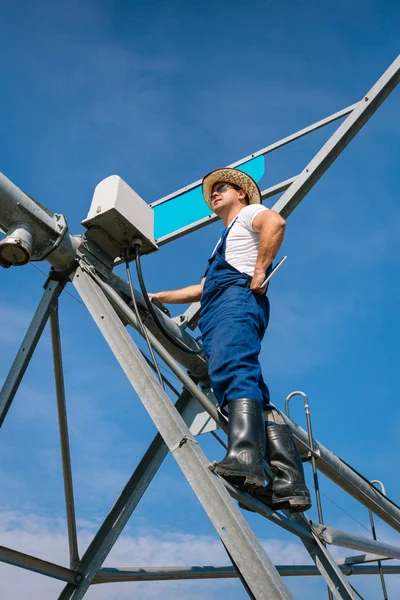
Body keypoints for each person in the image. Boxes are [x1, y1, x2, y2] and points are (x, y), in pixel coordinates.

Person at [150, 168, 311, 512]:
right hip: (219, 305)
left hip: (236, 302)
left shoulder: (250, 214)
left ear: (241, 194)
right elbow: (204, 287)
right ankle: (288, 483)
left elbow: (276, 223)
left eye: (222, 188)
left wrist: (260, 270)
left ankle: (245, 456)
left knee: (234, 370)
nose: (215, 194)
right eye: (213, 191)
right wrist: (161, 297)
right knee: (248, 383)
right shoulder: (224, 240)